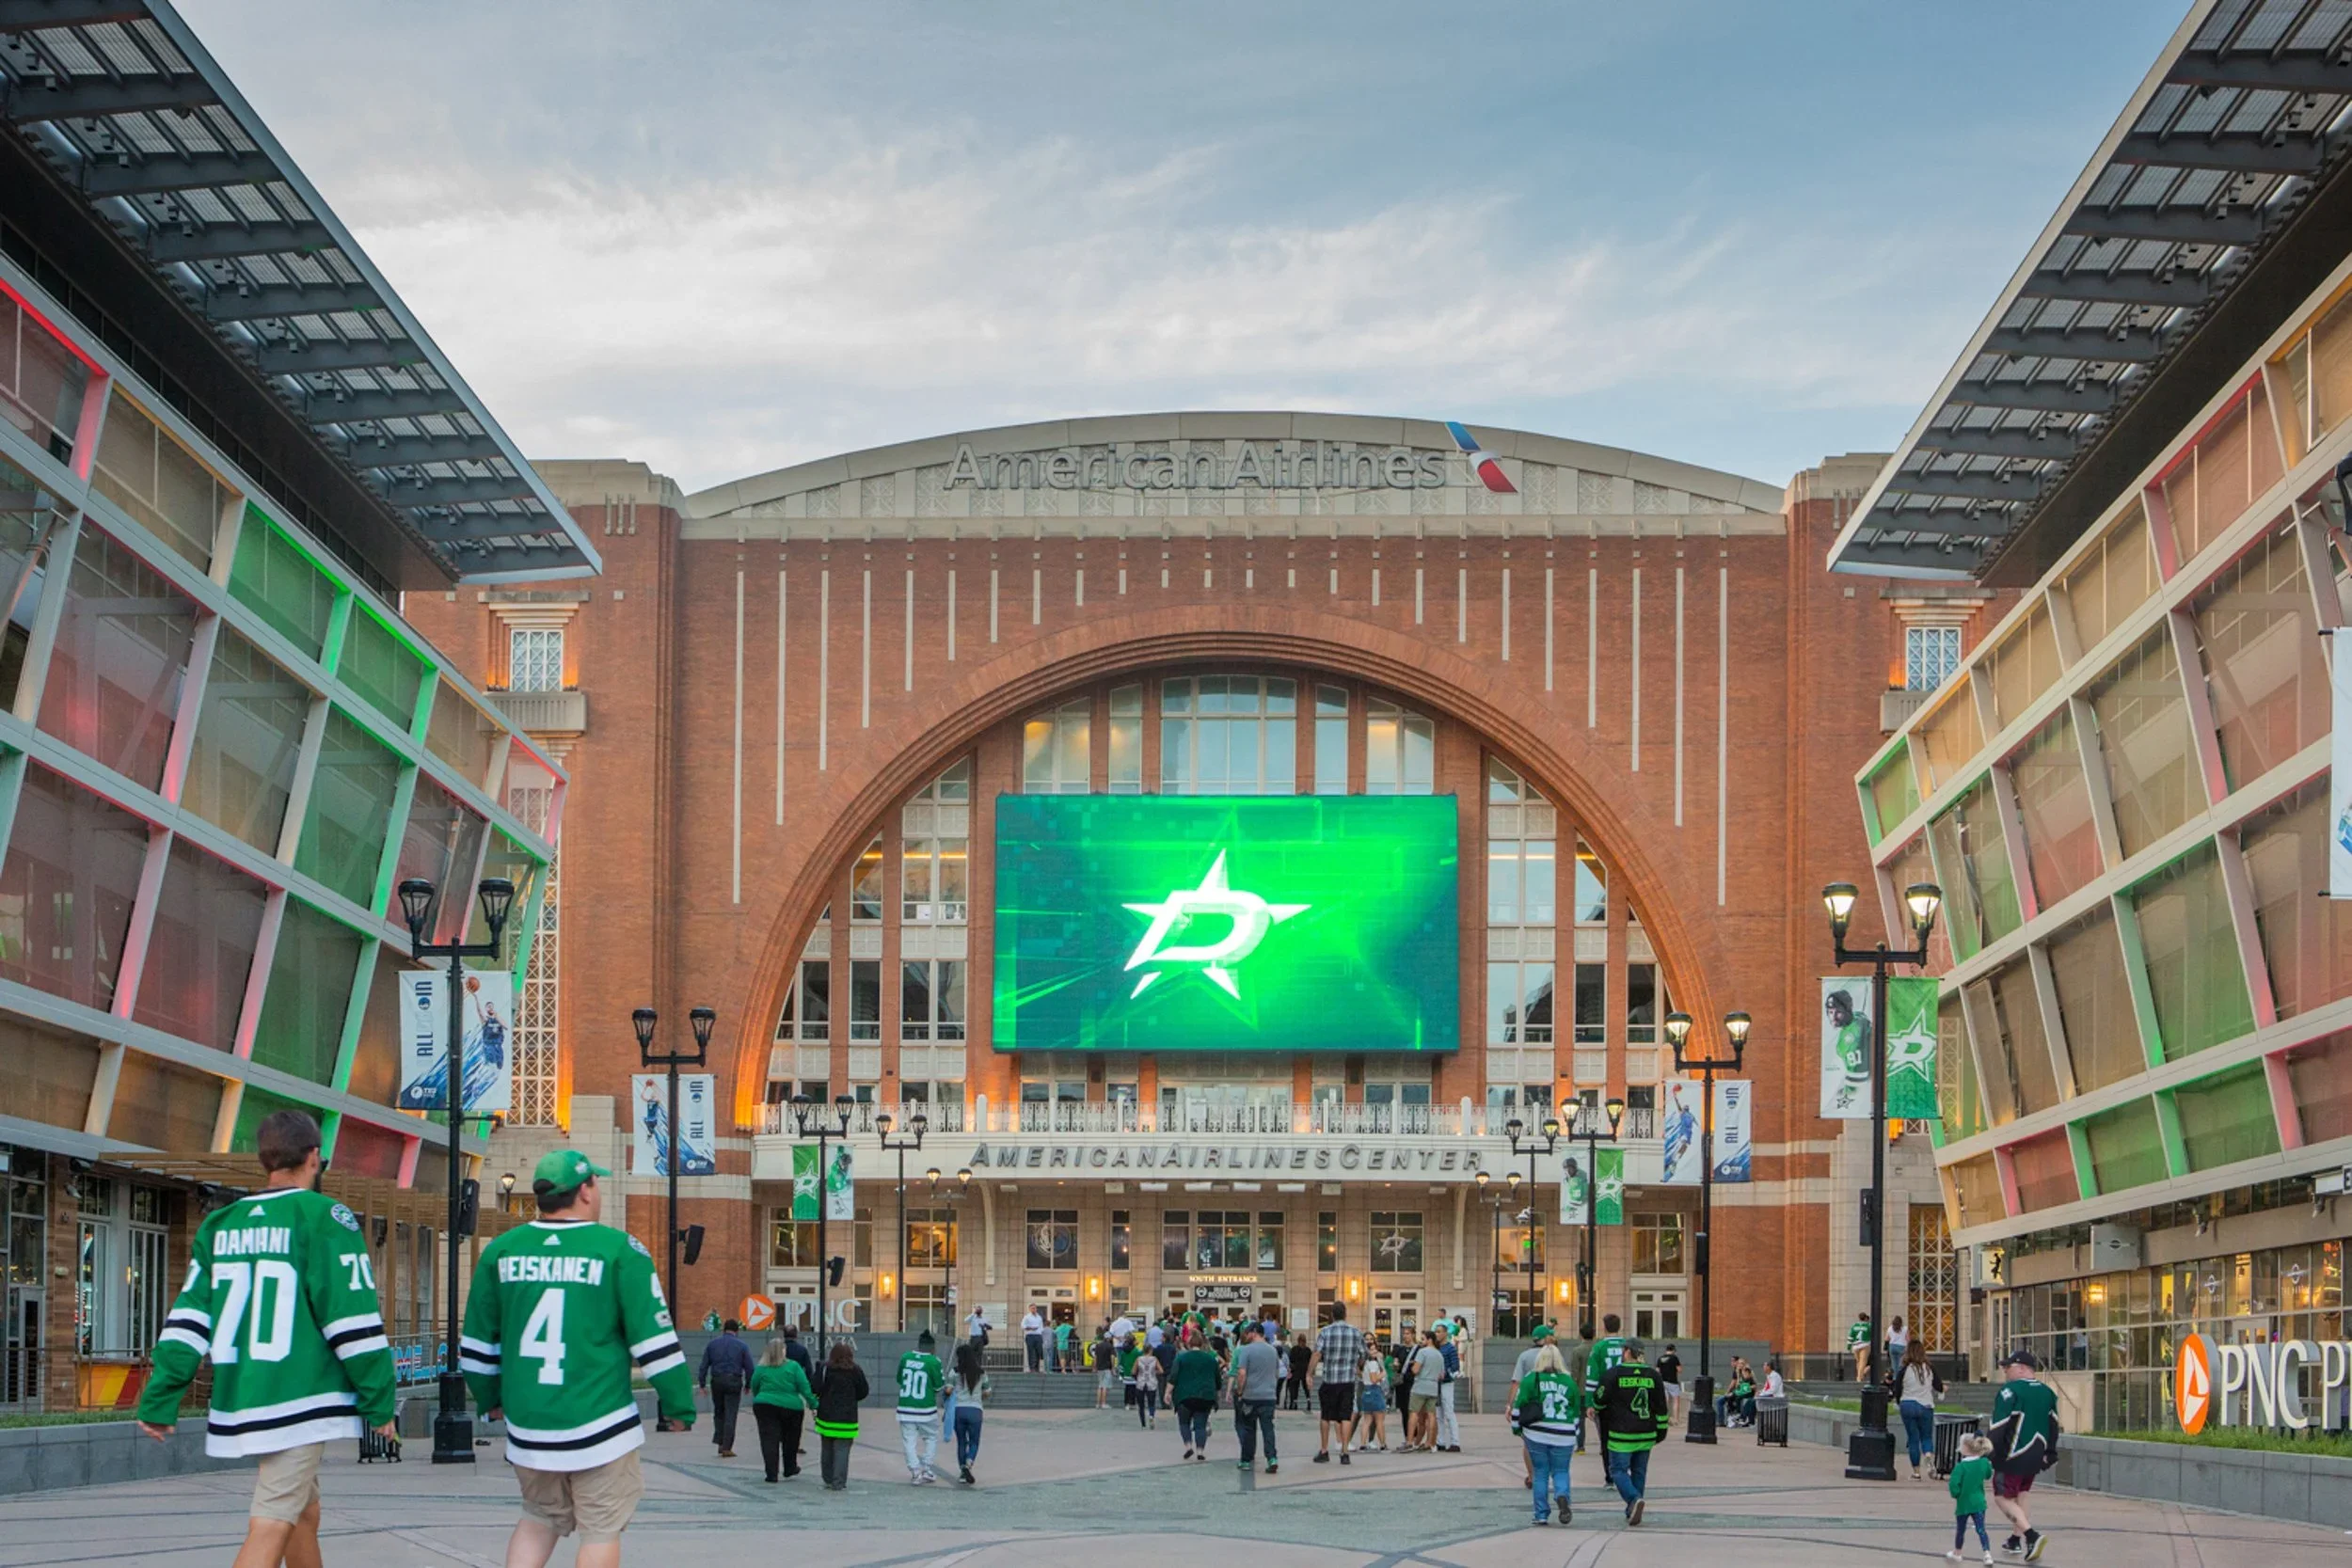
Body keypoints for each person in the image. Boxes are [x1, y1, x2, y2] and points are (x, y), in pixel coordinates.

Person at [136, 1110, 397, 1568]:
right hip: (299, 1395)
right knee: (273, 1520)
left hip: (245, 1393)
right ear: (314, 1157)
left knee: (303, 1514)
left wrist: (161, 1397)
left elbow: (189, 1321)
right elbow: (352, 1318)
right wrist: (379, 1401)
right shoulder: (325, 1217)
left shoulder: (221, 1224)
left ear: (266, 1160)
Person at [458, 1148, 695, 1568]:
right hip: (599, 1423)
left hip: (530, 1425)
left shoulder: (501, 1251)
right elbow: (655, 1343)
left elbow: (476, 1348)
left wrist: (490, 1398)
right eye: (596, 1183)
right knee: (601, 1528)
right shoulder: (619, 1250)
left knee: (537, 1517)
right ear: (584, 1191)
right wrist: (678, 1406)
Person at [1986, 1349, 2058, 1561]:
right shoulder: (2048, 1392)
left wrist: (1987, 1450)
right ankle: (2015, 1540)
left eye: (2009, 1367)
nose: (2006, 1372)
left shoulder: (2010, 1391)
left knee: (2002, 1496)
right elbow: (2054, 1426)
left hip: (2013, 1453)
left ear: (2023, 1368)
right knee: (2022, 1493)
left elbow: (1999, 1426)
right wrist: (2050, 1452)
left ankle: (2030, 1535)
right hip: (2037, 1452)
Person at [1593, 1339, 1669, 1526]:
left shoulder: (1613, 1375)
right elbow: (1661, 1406)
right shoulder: (1653, 1375)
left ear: (1626, 1352)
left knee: (1618, 1470)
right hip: (1646, 1432)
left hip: (1621, 1434)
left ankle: (1634, 1499)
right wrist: (1661, 1430)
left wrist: (1597, 1406)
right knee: (1639, 1471)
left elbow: (1599, 1401)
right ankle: (1633, 1509)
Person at [1513, 1341, 1585, 1527]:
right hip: (1564, 1433)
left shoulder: (1531, 1379)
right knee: (1561, 1470)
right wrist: (1575, 1434)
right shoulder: (1569, 1381)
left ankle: (1541, 1514)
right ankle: (1562, 1495)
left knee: (1541, 1473)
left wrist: (1516, 1428)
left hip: (1537, 1433)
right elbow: (1576, 1412)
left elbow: (1519, 1405)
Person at [1308, 1302, 1366, 1464]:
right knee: (1346, 1416)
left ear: (1332, 1315)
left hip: (1330, 1380)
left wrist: (1309, 1373)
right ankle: (1345, 1452)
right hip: (1347, 1381)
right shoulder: (1355, 1332)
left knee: (1326, 1416)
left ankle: (1324, 1450)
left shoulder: (1325, 1332)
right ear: (1345, 1314)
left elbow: (1317, 1354)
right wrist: (1357, 1365)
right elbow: (1364, 1354)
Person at [749, 1337, 813, 1482]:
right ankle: (790, 1468)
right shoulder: (794, 1366)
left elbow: (754, 1385)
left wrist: (761, 1396)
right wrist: (813, 1403)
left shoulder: (761, 1368)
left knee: (768, 1440)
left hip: (765, 1405)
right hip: (792, 1407)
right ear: (784, 1351)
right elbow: (804, 1387)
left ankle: (771, 1473)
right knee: (791, 1439)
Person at [813, 1340, 869, 1490]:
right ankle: (839, 1482)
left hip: (826, 1416)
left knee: (826, 1448)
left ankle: (828, 1478)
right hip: (847, 1418)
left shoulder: (825, 1368)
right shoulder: (855, 1370)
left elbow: (815, 1387)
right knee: (842, 1450)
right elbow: (863, 1391)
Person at [895, 1330, 949, 1484]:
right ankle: (926, 1468)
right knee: (931, 1437)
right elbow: (939, 1386)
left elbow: (899, 1379)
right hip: (926, 1408)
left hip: (905, 1407)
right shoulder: (934, 1361)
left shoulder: (905, 1357)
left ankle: (915, 1471)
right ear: (932, 1347)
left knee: (909, 1441)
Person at [1231, 1323, 1282, 1473]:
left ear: (1254, 1332)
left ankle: (1246, 1460)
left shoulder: (1246, 1350)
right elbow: (1277, 1373)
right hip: (1268, 1396)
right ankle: (1272, 1458)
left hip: (1250, 1396)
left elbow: (1241, 1373)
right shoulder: (1272, 1350)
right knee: (1268, 1428)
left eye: (1247, 1333)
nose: (1246, 1336)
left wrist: (1240, 1391)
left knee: (1248, 1428)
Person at [699, 1318, 753, 1459]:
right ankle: (727, 1447)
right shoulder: (742, 1346)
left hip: (717, 1380)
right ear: (737, 1331)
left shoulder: (712, 1344)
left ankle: (720, 1442)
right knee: (731, 1413)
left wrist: (702, 1384)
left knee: (719, 1412)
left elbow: (704, 1365)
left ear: (724, 1329)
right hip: (734, 1381)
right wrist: (748, 1384)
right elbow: (749, 1367)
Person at [1171, 1327, 1222, 1462]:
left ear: (1189, 1343)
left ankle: (1188, 1447)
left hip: (1184, 1396)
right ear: (1201, 1344)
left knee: (1184, 1423)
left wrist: (1167, 1392)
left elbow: (1173, 1377)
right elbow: (1218, 1380)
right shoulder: (1211, 1359)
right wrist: (1217, 1393)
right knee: (1200, 1425)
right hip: (1205, 1396)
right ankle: (1200, 1451)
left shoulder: (1182, 1358)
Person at [1897, 1339, 1943, 1481]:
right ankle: (1928, 1455)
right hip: (1926, 1406)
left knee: (1913, 1439)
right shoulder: (1929, 1368)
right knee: (1926, 1437)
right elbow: (1938, 1386)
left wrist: (1899, 1402)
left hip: (1908, 1404)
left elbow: (1897, 1388)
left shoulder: (1904, 1369)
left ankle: (1916, 1472)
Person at [1947, 1432, 1995, 1563]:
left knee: (1961, 1530)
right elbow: (1987, 1475)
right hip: (1979, 1502)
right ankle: (1987, 1554)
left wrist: (1956, 1494)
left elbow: (1954, 1485)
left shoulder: (1961, 1466)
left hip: (1964, 1503)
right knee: (1981, 1529)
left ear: (1965, 1448)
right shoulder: (1984, 1462)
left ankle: (1958, 1552)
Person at [950, 1341, 992, 1484]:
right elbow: (987, 1392)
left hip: (958, 1410)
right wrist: (980, 1396)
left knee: (962, 1442)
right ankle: (968, 1464)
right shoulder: (981, 1373)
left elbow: (948, 1389)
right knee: (974, 1442)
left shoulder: (954, 1372)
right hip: (975, 1410)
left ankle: (962, 1472)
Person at [1404, 1329, 1447, 1451]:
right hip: (1433, 1387)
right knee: (1431, 1415)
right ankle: (1429, 1442)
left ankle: (1410, 1441)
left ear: (1430, 1340)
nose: (1421, 1342)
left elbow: (1415, 1370)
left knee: (1414, 1413)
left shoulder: (1422, 1352)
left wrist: (1413, 1366)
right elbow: (1441, 1375)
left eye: (1423, 1339)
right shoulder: (1439, 1354)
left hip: (1420, 1385)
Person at [1432, 1321, 1463, 1451]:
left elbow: (1455, 1366)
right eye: (1436, 1332)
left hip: (1446, 1383)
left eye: (1439, 1332)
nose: (1437, 1334)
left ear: (1445, 1333)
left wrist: (1447, 1373)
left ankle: (1455, 1442)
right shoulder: (1436, 1347)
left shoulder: (1450, 1348)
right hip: (1436, 1384)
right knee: (1439, 1413)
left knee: (1449, 1411)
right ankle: (1441, 1441)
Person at [1355, 1340, 1391, 1451]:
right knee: (1379, 1420)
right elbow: (1374, 1379)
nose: (1374, 1351)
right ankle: (1383, 1444)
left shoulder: (1363, 1364)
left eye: (1375, 1349)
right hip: (1375, 1391)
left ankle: (1362, 1444)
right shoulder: (1373, 1364)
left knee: (1367, 1420)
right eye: (1371, 1349)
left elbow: (1362, 1376)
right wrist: (1383, 1374)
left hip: (1366, 1391)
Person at [1582, 1313, 1629, 1402]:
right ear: (1619, 1328)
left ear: (1605, 1328)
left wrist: (1589, 1402)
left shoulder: (1598, 1347)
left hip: (1605, 1393)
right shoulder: (1627, 1346)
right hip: (1625, 1393)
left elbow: (1592, 1376)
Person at [1134, 1338, 1163, 1427]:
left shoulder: (1139, 1359)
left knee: (1141, 1404)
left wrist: (1139, 1375)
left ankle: (1143, 1422)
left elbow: (1133, 1372)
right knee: (1151, 1402)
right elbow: (1161, 1371)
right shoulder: (1154, 1359)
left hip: (1141, 1383)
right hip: (1152, 1382)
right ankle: (1151, 1416)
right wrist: (1154, 1372)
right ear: (1151, 1350)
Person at [1655, 1345, 1684, 1424]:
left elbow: (1657, 1371)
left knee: (1665, 1400)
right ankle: (1676, 1419)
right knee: (1676, 1400)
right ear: (1673, 1350)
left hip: (1662, 1382)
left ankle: (1665, 1418)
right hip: (1673, 1382)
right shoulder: (1674, 1358)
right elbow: (1679, 1370)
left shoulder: (1660, 1358)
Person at [1285, 1332, 1312, 1411]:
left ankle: (1294, 1403)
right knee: (1306, 1388)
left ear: (1298, 1340)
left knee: (1295, 1388)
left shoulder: (1294, 1349)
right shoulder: (1308, 1350)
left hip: (1296, 1370)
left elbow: (1291, 1360)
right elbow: (1310, 1361)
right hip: (1305, 1371)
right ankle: (1308, 1401)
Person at [1093, 1324, 1118, 1408]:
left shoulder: (1098, 1345)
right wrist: (1113, 1368)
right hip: (1107, 1368)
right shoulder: (1110, 1346)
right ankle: (1103, 1403)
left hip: (1099, 1368)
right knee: (1105, 1386)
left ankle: (1098, 1403)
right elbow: (1112, 1357)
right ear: (1109, 1338)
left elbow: (1095, 1357)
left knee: (1100, 1386)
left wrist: (1095, 1367)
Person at [1849, 1309, 1873, 1383]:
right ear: (1865, 1318)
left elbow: (1850, 1336)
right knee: (1863, 1361)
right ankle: (1859, 1377)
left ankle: (1859, 1376)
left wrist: (1849, 1345)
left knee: (1858, 1361)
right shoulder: (1868, 1325)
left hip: (1855, 1346)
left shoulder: (1854, 1326)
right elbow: (1872, 1335)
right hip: (1865, 1344)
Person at [1022, 1306, 1047, 1371]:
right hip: (1030, 1335)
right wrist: (1030, 1328)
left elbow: (1041, 1327)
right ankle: (1032, 1367)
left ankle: (1037, 1367)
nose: (1034, 1309)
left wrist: (1041, 1333)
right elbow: (1023, 1325)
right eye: (1032, 1308)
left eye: (1035, 1308)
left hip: (1038, 1335)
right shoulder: (1027, 1317)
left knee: (1038, 1351)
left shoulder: (1039, 1317)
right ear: (1029, 1309)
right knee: (1031, 1351)